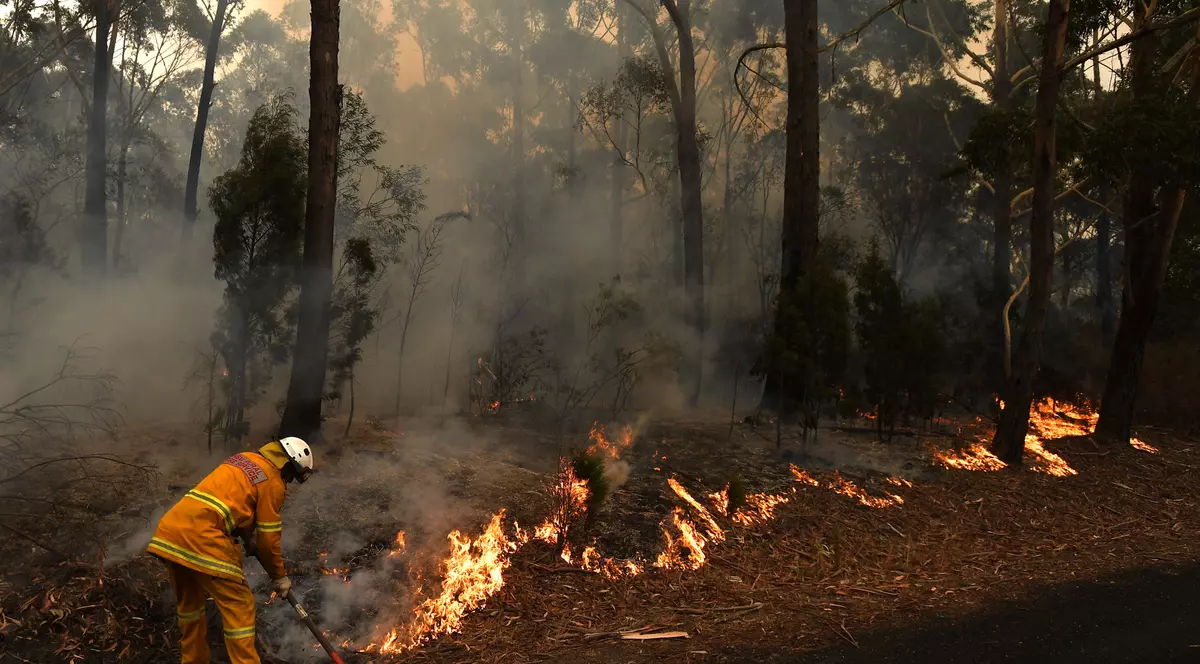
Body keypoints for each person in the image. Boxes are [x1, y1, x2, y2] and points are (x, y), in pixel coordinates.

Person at [147, 437, 314, 664]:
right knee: (240, 604)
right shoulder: (273, 480)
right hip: (203, 537)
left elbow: (232, 504)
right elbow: (269, 539)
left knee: (190, 608)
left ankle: (193, 660)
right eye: (291, 475)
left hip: (171, 533)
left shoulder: (243, 459)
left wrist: (247, 537)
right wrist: (280, 576)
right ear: (287, 464)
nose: (288, 482)